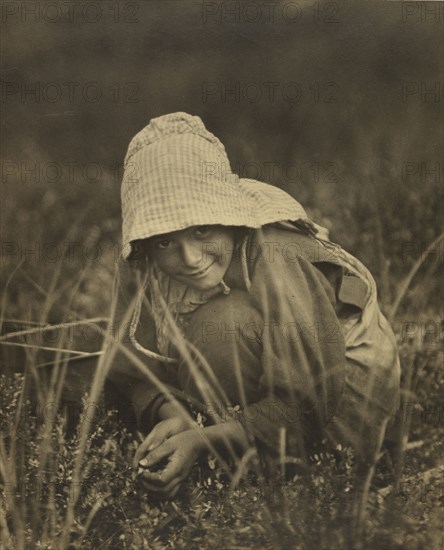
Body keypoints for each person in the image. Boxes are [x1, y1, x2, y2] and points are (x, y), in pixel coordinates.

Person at [108, 112, 400, 499]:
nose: (191, 258)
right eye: (165, 242)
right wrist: (171, 413)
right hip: (249, 399)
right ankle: (225, 452)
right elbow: (135, 366)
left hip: (339, 411)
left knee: (222, 325)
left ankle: (269, 477)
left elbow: (307, 405)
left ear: (228, 218)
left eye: (202, 230)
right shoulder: (143, 265)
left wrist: (201, 441)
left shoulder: (277, 253)